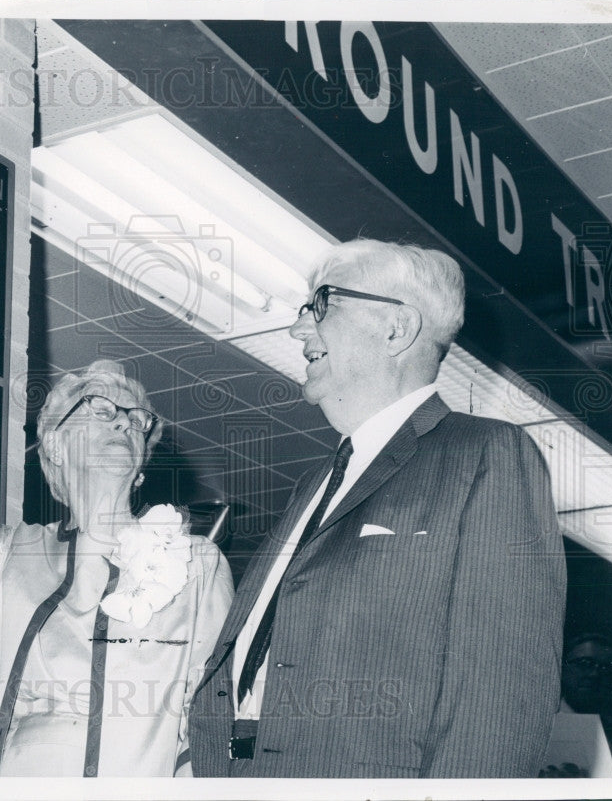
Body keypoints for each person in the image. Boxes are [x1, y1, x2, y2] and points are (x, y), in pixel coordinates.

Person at [189, 239, 566, 778]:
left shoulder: (485, 455)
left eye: (322, 305)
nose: (299, 330)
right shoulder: (312, 486)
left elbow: (503, 693)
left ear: (397, 328)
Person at [0, 297, 233, 777]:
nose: (124, 421)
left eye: (136, 419)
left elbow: (211, 722)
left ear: (144, 465)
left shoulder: (198, 565)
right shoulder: (15, 553)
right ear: (57, 448)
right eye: (101, 408)